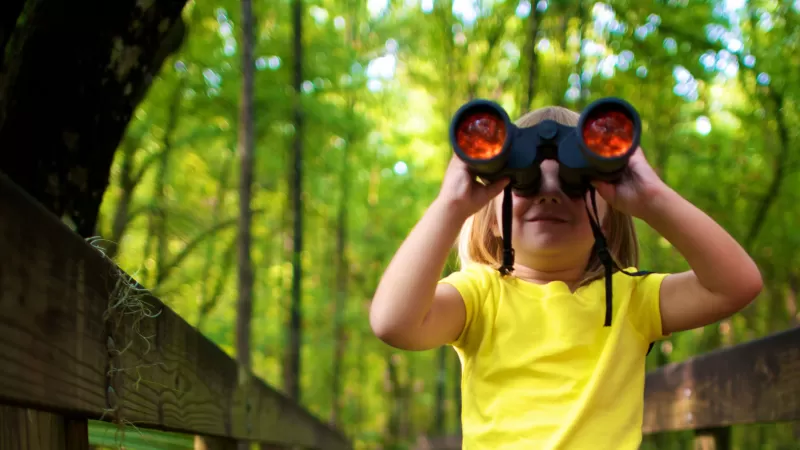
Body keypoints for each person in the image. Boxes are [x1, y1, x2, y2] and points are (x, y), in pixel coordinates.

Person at [369, 105, 763, 449]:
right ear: (492, 221)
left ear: (610, 218)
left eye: (577, 185)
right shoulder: (478, 295)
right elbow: (394, 322)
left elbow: (736, 285)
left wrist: (653, 199)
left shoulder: (631, 298)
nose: (550, 193)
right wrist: (450, 205)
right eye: (527, 182)